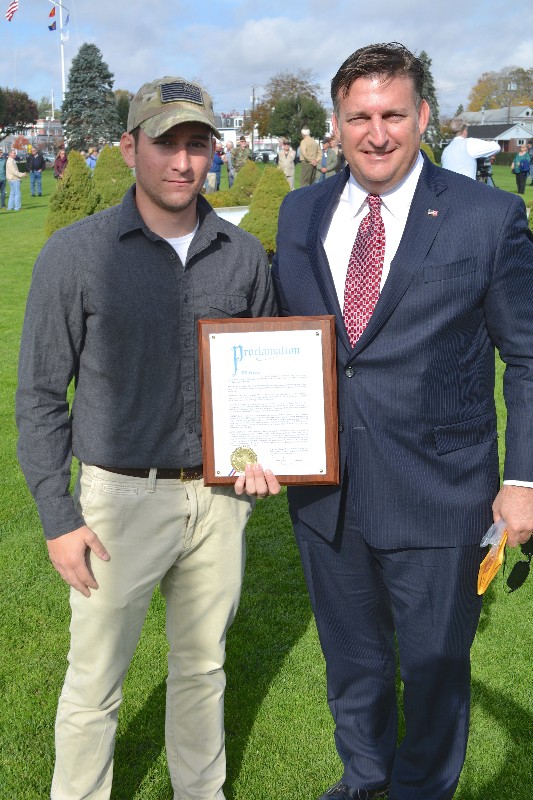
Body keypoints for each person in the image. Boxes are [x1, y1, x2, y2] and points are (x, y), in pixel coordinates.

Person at [271, 42, 533, 800]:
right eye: (359, 116)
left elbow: (526, 356)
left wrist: (522, 479)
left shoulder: (487, 216)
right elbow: (280, 340)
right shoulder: (300, 211)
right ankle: (363, 780)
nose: (376, 132)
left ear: (422, 116)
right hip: (326, 495)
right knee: (351, 667)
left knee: (433, 675)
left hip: (438, 497)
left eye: (392, 114)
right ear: (336, 122)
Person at [16, 74, 280, 800]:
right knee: (96, 679)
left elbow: (262, 381)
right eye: (165, 143)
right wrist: (58, 516)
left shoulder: (241, 253)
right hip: (115, 504)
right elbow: (40, 394)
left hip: (218, 501)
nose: (182, 162)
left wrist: (267, 455)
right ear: (130, 147)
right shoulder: (76, 254)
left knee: (202, 668)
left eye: (197, 144)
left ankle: (201, 792)